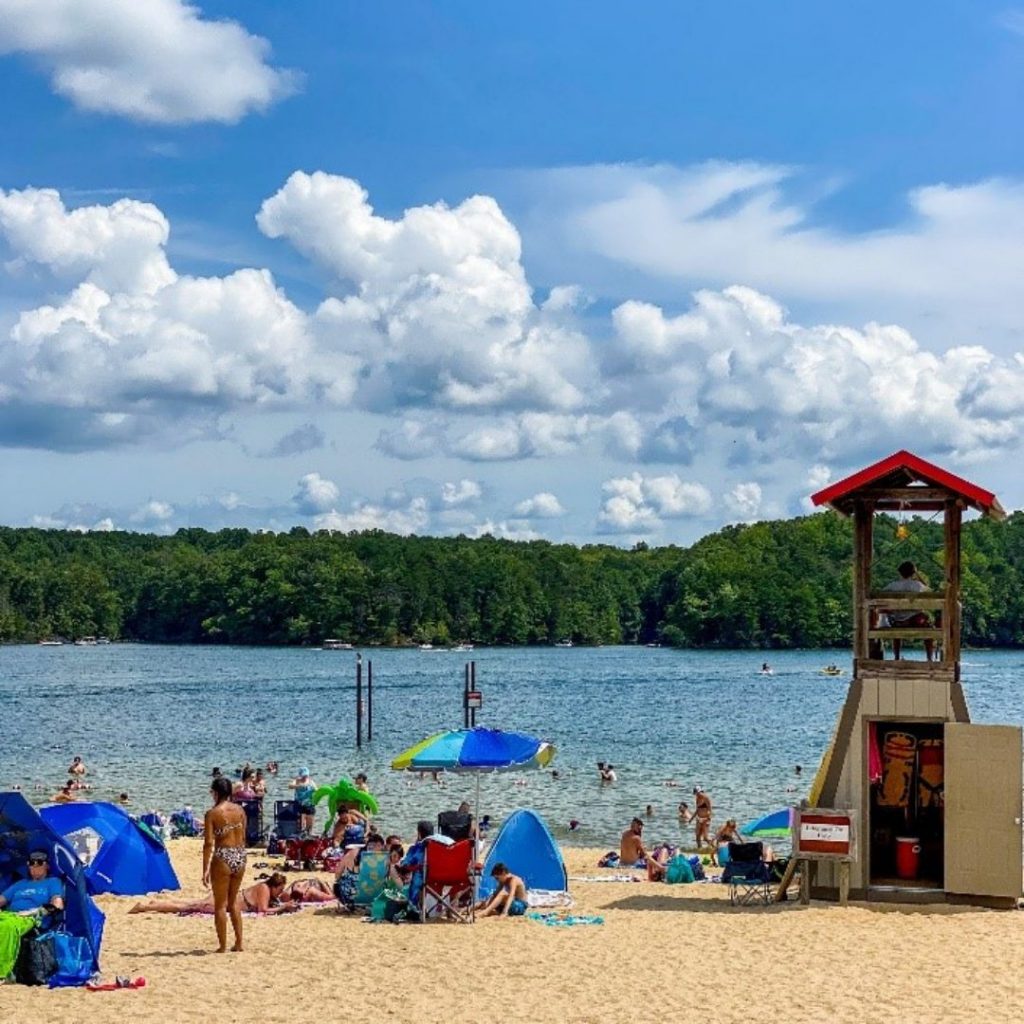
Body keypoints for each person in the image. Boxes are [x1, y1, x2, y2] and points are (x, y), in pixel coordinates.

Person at [0, 850, 65, 980]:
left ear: (47, 866)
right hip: (9, 914)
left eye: (39, 863)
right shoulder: (20, 884)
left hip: (30, 917)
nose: (35, 866)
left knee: (7, 927)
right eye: (31, 863)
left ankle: (2, 972)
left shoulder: (52, 882)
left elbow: (58, 904)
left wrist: (36, 911)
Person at [203, 775, 248, 952]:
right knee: (234, 901)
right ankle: (238, 943)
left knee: (220, 904)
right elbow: (243, 835)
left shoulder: (212, 814)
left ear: (216, 793)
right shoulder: (240, 811)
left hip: (223, 855)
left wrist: (205, 868)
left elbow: (208, 843)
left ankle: (222, 946)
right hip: (240, 854)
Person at [130, 874, 291, 916]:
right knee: (187, 907)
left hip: (225, 897)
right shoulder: (264, 889)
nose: (280, 893)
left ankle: (156, 902)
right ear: (274, 886)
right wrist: (283, 907)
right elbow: (262, 910)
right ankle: (144, 907)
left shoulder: (264, 888)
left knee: (193, 903)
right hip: (223, 901)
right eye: (280, 889)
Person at [879, 560, 935, 661]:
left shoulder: (893, 585)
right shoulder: (917, 585)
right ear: (913, 573)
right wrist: (918, 575)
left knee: (896, 631)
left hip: (898, 621)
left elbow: (880, 594)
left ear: (899, 572)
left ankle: (896, 657)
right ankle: (929, 658)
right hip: (915, 621)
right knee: (929, 628)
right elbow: (930, 590)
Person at [397, 820, 433, 915]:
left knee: (418, 874)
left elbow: (405, 864)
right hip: (440, 880)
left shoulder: (417, 848)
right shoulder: (440, 846)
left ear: (419, 834)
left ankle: (412, 906)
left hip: (423, 880)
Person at [289, 767, 316, 834]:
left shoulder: (311, 782)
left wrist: (315, 790)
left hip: (309, 804)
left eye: (306, 775)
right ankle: (301, 833)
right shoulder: (297, 780)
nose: (305, 777)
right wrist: (298, 786)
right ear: (300, 775)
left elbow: (317, 789)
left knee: (310, 822)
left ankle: (309, 833)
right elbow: (290, 786)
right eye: (303, 775)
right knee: (301, 822)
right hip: (299, 804)